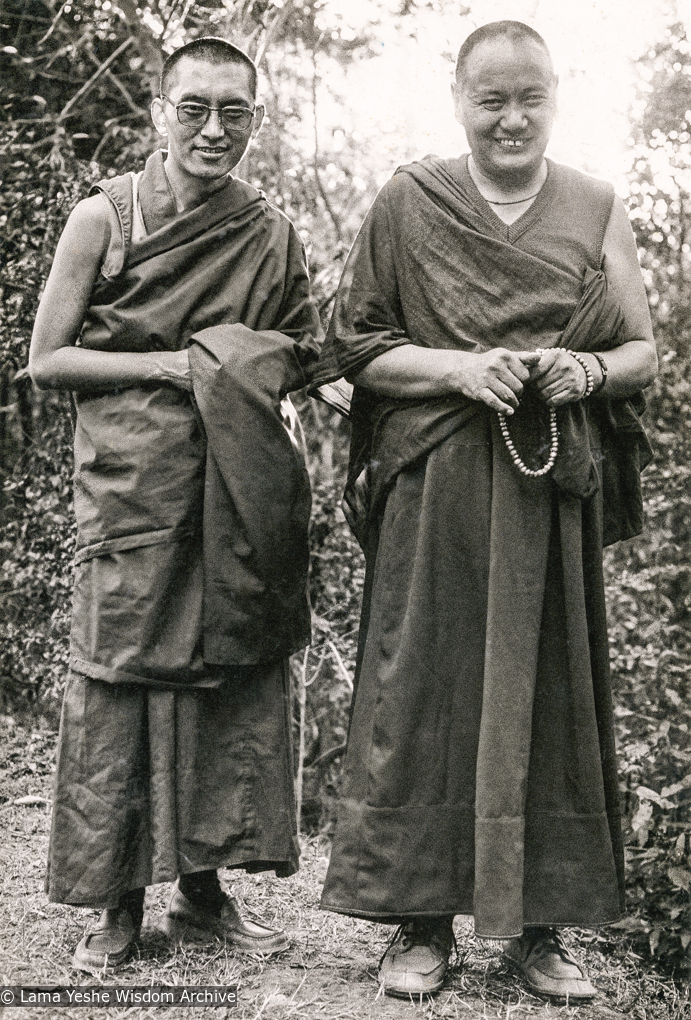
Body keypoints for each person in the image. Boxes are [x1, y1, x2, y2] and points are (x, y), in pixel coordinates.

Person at [311, 21, 656, 1001]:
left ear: (556, 95)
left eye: (529, 98)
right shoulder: (409, 202)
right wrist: (464, 369)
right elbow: (360, 349)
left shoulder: (593, 207)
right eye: (490, 98)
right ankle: (418, 923)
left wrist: (580, 366)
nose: (510, 117)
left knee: (547, 693)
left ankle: (540, 931)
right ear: (456, 96)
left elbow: (640, 350)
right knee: (425, 687)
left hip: (546, 493)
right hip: (435, 482)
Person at [29, 37, 321, 972]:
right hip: (131, 490)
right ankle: (114, 904)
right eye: (193, 107)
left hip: (236, 492)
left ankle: (203, 891)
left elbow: (302, 352)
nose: (213, 129)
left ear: (256, 122)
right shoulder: (102, 217)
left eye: (234, 113)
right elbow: (47, 360)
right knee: (118, 678)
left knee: (224, 675)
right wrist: (183, 364)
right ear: (160, 111)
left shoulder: (270, 233)